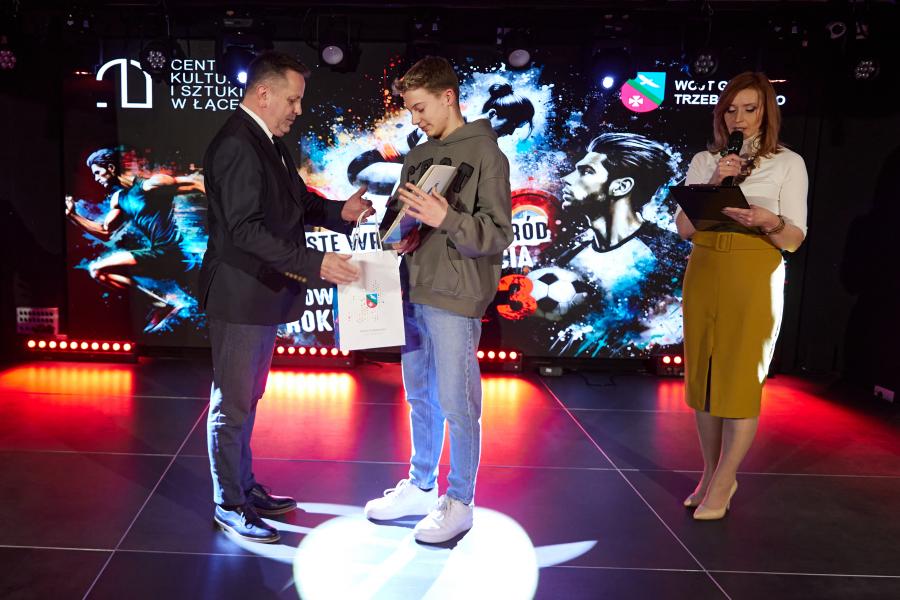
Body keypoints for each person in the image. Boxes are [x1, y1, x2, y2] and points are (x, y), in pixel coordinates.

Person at [201, 51, 373, 543]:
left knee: (246, 399)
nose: (298, 110)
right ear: (264, 93)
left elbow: (295, 202)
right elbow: (245, 231)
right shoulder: (238, 144)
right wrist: (315, 263)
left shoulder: (268, 141)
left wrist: (340, 212)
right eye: (293, 100)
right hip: (239, 295)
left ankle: (243, 486)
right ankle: (228, 503)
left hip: (258, 294)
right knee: (233, 404)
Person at [364, 56, 513, 544]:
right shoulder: (418, 155)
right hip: (413, 289)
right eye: (409, 109)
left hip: (457, 294)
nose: (415, 118)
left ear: (448, 97)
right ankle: (421, 484)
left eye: (420, 107)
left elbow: (497, 234)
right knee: (418, 395)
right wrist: (398, 232)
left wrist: (445, 217)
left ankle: (460, 501)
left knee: (457, 401)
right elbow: (398, 221)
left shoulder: (487, 154)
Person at [675, 71, 808, 520]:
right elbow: (684, 228)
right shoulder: (705, 160)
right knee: (705, 379)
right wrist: (716, 179)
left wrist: (768, 221)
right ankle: (710, 473)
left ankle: (726, 479)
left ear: (766, 111)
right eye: (731, 110)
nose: (739, 118)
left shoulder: (787, 163)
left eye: (749, 109)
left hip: (754, 269)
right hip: (705, 267)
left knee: (740, 380)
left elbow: (794, 239)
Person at [538, 132, 689, 356]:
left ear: (621, 186)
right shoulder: (568, 257)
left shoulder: (669, 253)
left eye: (586, 171)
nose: (567, 178)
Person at [65, 148, 205, 332]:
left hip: (174, 252)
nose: (96, 178)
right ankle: (160, 303)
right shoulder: (119, 199)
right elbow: (105, 231)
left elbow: (196, 184)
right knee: (98, 271)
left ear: (111, 168)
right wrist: (73, 215)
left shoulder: (150, 185)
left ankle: (161, 303)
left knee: (97, 269)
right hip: (158, 254)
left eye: (98, 172)